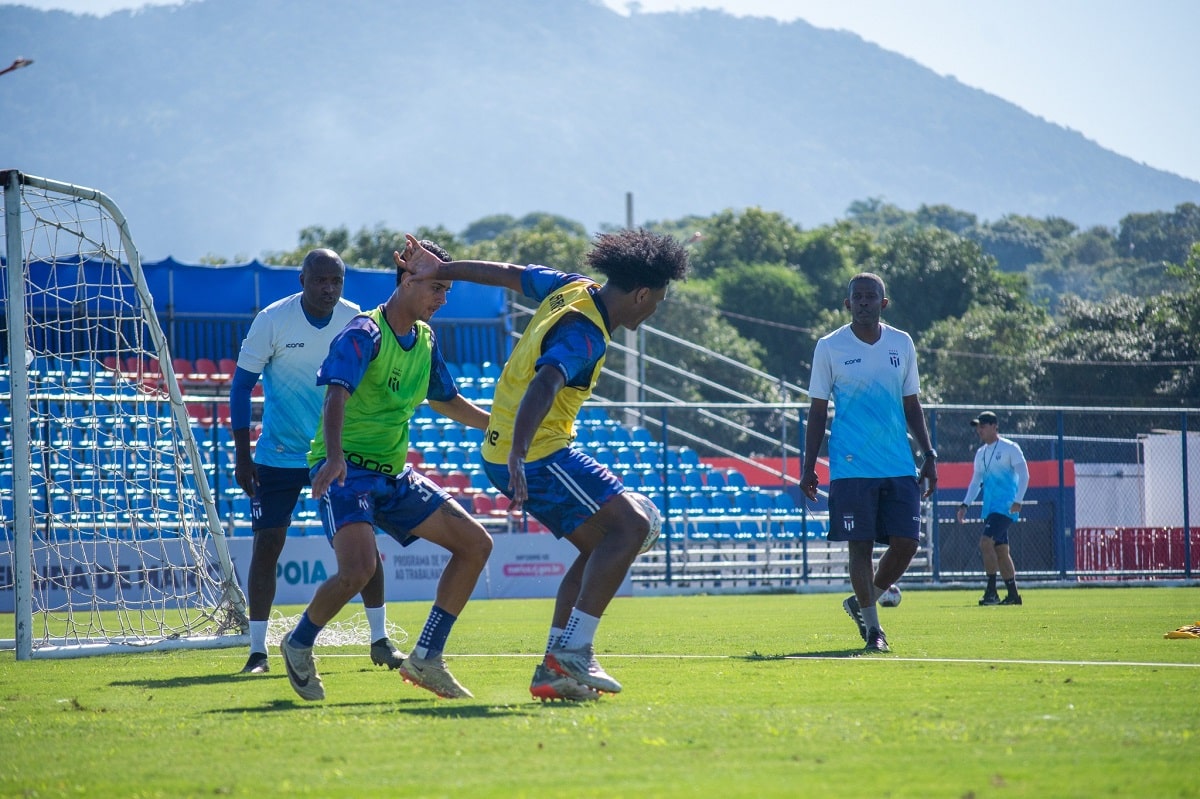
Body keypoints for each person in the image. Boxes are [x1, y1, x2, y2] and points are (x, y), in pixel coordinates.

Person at [395, 228, 689, 701]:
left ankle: (554, 671)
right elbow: (546, 381)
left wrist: (442, 269)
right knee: (631, 527)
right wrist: (519, 450)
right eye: (657, 300)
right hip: (536, 453)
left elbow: (509, 274)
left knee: (601, 549)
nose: (654, 309)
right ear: (641, 294)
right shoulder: (586, 333)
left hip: (519, 448)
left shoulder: (571, 287)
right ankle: (573, 651)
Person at [279, 241, 493, 701]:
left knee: (476, 544)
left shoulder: (427, 340)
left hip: (393, 475)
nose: (443, 298)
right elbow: (337, 392)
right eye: (437, 287)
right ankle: (298, 644)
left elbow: (445, 400)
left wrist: (499, 426)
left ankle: (427, 657)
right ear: (407, 279)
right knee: (357, 570)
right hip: (347, 470)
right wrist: (334, 455)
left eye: (448, 289)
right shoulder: (364, 333)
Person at [230, 248, 404, 675]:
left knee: (363, 547)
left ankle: (380, 640)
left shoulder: (357, 321)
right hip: (279, 454)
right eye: (320, 280)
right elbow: (240, 388)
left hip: (336, 456)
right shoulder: (272, 320)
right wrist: (243, 456)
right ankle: (257, 652)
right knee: (268, 544)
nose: (328, 288)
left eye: (336, 281)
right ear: (302, 280)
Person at [800, 272, 938, 653]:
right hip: (850, 464)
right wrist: (809, 466)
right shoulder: (829, 347)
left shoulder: (902, 343)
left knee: (907, 543)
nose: (863, 302)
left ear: (884, 302)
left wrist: (929, 454)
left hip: (898, 462)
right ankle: (873, 631)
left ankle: (862, 602)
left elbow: (912, 404)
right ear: (847, 304)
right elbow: (817, 410)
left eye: (870, 296)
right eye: (856, 297)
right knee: (858, 547)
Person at [956, 410, 1029, 606]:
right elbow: (976, 482)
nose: (979, 430)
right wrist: (965, 505)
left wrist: (1018, 500)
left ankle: (991, 592)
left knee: (985, 542)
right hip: (989, 508)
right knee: (1001, 550)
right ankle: (1013, 595)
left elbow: (1024, 474)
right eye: (977, 426)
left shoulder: (1010, 448)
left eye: (983, 425)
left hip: (1005, 507)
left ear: (994, 426)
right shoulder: (981, 453)